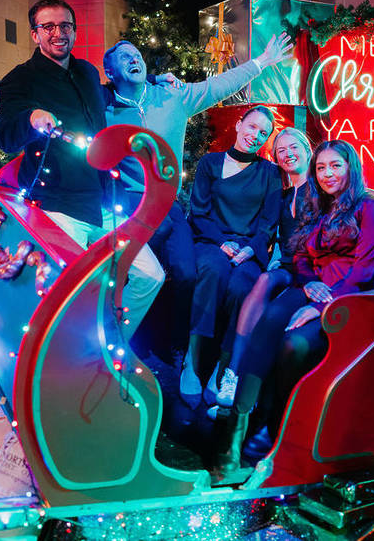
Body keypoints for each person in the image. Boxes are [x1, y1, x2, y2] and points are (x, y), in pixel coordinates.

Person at [101, 34, 292, 357]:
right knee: (134, 276)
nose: (134, 59)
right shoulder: (104, 108)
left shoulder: (173, 96)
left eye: (137, 55)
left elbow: (219, 85)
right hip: (130, 204)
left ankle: (174, 346)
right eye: (124, 57)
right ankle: (128, 344)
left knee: (187, 273)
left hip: (169, 205)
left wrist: (261, 62)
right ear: (110, 71)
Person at [220, 139, 374, 466]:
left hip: (351, 297)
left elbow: (364, 271)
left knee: (294, 345)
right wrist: (311, 282)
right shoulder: (317, 208)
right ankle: (238, 426)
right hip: (315, 286)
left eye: (335, 166)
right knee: (270, 317)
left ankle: (277, 429)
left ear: (350, 168)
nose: (327, 174)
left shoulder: (373, 209)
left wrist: (318, 307)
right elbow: (300, 256)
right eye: (321, 168)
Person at [0, 0, 163, 332]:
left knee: (150, 275)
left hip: (103, 203)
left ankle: (110, 347)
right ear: (35, 34)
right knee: (72, 295)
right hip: (57, 208)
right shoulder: (19, 80)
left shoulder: (87, 72)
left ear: (74, 31)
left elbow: (113, 96)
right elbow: (6, 137)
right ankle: (74, 361)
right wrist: (32, 117)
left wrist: (158, 83)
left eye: (66, 25)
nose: (59, 32)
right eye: (49, 26)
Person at [181, 106, 282, 407]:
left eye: (263, 133)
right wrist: (222, 243)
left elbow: (268, 223)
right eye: (251, 127)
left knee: (242, 288)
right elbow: (198, 212)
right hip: (211, 241)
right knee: (212, 271)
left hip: (249, 248)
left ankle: (222, 368)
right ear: (239, 125)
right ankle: (191, 359)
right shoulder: (210, 163)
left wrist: (250, 248)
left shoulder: (269, 173)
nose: (255, 136)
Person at [209, 126, 312, 410]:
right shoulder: (281, 196)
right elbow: (267, 232)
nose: (288, 154)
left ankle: (239, 378)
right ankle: (231, 372)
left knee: (268, 297)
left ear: (307, 149)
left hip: (313, 269)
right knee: (261, 281)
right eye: (281, 151)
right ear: (276, 159)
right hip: (288, 266)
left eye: (293, 147)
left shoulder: (321, 189)